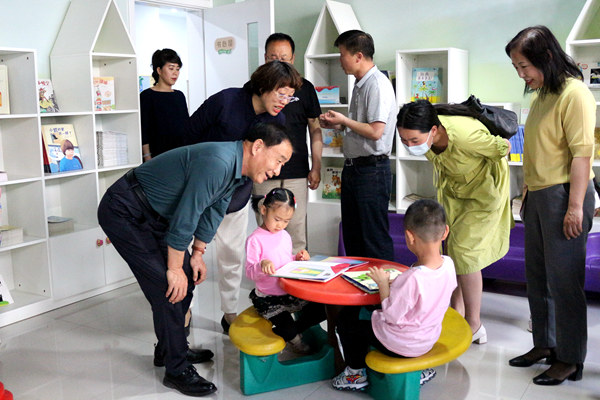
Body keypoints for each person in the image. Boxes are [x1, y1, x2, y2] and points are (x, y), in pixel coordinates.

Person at [97, 123, 294, 397]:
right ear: (258, 146)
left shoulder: (237, 171)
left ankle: (170, 349)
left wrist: (198, 254)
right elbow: (188, 214)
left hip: (156, 216)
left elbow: (215, 210)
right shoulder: (218, 162)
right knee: (169, 288)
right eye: (278, 160)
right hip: (125, 210)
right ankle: (176, 370)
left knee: (186, 279)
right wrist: (174, 267)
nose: (278, 170)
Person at [505, 26, 596, 385]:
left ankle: (570, 358)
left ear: (545, 58)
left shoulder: (575, 94)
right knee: (538, 277)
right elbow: (539, 147)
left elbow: (582, 155)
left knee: (565, 282)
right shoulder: (544, 93)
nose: (521, 74)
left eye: (524, 66)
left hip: (565, 195)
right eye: (516, 67)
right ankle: (545, 344)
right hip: (539, 195)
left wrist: (575, 207)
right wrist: (526, 192)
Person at [185, 60, 303, 334]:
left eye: (290, 96)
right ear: (263, 86)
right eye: (281, 94)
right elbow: (188, 136)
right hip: (201, 192)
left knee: (231, 257)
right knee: (189, 256)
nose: (284, 101)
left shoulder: (276, 121)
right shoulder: (226, 101)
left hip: (235, 198)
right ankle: (185, 311)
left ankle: (229, 313)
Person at [396, 100, 513, 343]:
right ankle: (455, 312)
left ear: (434, 130)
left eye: (414, 140)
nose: (410, 146)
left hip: (483, 195)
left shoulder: (466, 136)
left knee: (465, 254)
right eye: (404, 141)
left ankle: (474, 324)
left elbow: (504, 147)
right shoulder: (428, 135)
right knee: (449, 249)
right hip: (454, 192)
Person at [332, 199, 457, 391]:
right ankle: (421, 370)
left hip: (401, 345)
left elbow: (391, 315)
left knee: (347, 321)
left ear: (410, 236)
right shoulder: (448, 264)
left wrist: (383, 284)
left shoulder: (413, 278)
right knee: (366, 317)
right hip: (428, 339)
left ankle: (355, 373)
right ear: (445, 232)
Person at [319, 30, 396, 262]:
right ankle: (356, 285)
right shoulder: (360, 84)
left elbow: (375, 131)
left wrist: (344, 120)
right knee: (353, 237)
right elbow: (361, 127)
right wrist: (339, 125)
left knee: (373, 239)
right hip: (354, 168)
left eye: (342, 54)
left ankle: (382, 285)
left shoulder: (377, 84)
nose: (340, 60)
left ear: (358, 56)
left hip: (371, 170)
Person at [252, 33, 323, 254]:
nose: (279, 63)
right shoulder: (254, 88)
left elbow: (315, 129)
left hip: (297, 172)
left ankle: (297, 274)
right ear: (265, 58)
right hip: (263, 171)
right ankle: (267, 273)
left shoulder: (305, 88)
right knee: (266, 229)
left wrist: (316, 166)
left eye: (284, 58)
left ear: (293, 59)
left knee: (296, 228)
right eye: (273, 58)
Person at [245, 187, 326, 353]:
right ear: (263, 210)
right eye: (277, 219)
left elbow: (286, 260)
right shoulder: (255, 239)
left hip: (289, 292)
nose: (280, 225)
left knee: (322, 310)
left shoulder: (285, 236)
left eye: (286, 221)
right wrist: (261, 266)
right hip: (269, 298)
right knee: (287, 327)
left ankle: (292, 332)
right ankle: (294, 338)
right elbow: (250, 272)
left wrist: (297, 258)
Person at [140, 48, 189, 162]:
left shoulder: (179, 95)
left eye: (177, 69)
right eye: (171, 68)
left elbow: (186, 127)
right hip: (157, 156)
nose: (175, 73)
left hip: (180, 155)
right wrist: (147, 157)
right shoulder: (147, 96)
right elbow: (144, 130)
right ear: (159, 70)